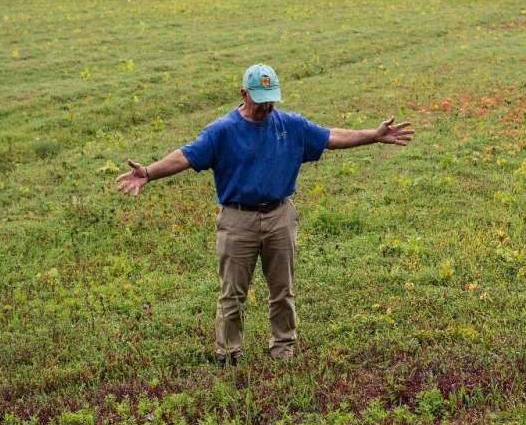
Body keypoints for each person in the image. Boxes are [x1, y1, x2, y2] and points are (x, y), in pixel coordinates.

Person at [116, 64, 413, 364]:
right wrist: (149, 173)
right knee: (232, 294)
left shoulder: (290, 125)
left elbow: (330, 136)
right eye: (260, 100)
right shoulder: (222, 130)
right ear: (243, 94)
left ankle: (283, 348)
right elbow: (186, 156)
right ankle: (229, 353)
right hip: (237, 220)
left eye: (271, 99)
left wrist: (373, 135)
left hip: (280, 215)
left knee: (283, 289)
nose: (266, 106)